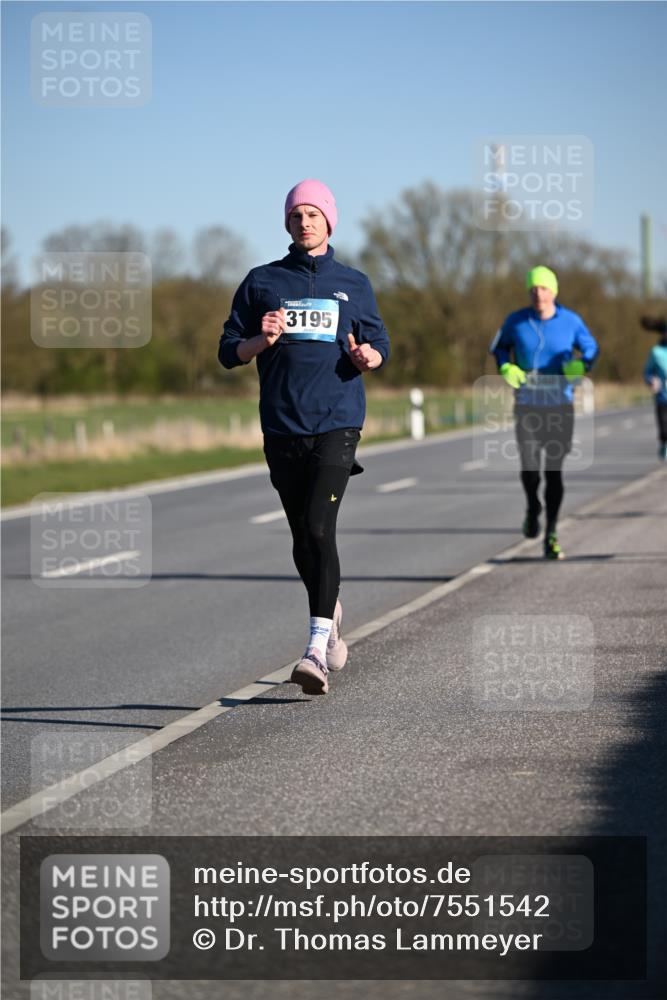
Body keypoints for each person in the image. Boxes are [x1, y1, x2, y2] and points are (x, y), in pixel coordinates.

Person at [218, 179, 390, 694]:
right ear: (287, 223)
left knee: (319, 526)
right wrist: (261, 339)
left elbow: (379, 343)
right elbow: (228, 351)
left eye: (313, 214)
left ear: (329, 221)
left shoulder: (353, 283)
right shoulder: (262, 282)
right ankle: (328, 610)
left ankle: (315, 650)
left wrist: (368, 357)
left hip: (338, 422)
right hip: (282, 425)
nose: (304, 222)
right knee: (302, 537)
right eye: (296, 215)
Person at [490, 265, 599, 560]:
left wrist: (582, 365)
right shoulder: (516, 321)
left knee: (553, 471)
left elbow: (591, 349)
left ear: (554, 291)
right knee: (529, 468)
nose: (538, 294)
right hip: (527, 405)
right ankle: (532, 506)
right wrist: (505, 366)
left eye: (544, 288)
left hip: (560, 406)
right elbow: (498, 348)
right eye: (533, 289)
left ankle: (551, 533)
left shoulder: (571, 321)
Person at [641, 315, 667, 461]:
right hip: (663, 397)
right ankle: (664, 443)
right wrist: (651, 381)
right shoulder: (656, 352)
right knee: (664, 431)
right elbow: (647, 372)